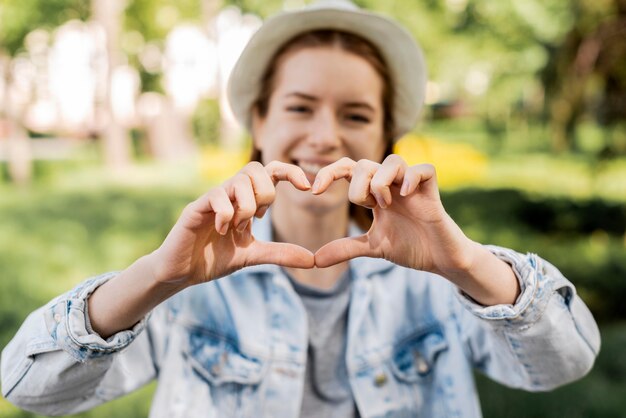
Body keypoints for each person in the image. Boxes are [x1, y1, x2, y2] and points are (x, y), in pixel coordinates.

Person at [1, 1, 600, 417]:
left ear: (386, 137)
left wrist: (466, 264)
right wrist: (158, 276)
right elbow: (28, 388)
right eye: (299, 107)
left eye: (356, 115)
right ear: (259, 120)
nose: (324, 135)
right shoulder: (193, 281)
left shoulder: (435, 279)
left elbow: (564, 363)